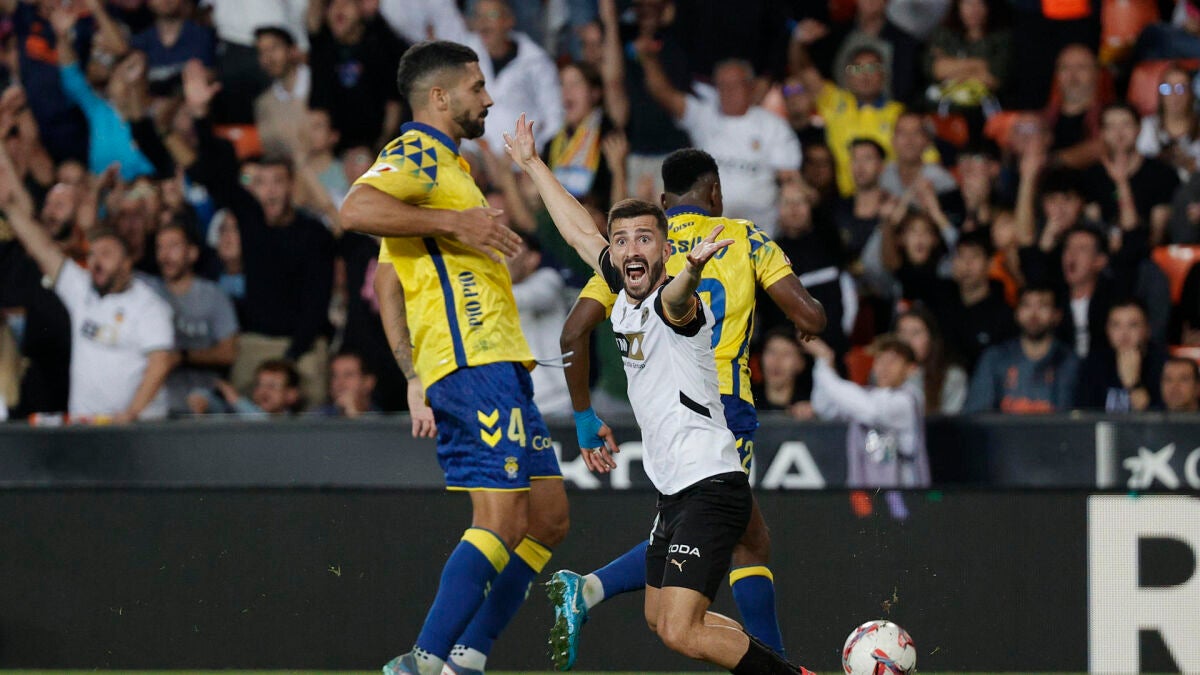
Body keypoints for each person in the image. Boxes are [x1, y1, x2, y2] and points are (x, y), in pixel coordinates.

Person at [505, 113, 816, 675]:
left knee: (680, 628)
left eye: (644, 239)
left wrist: (692, 271)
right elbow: (578, 231)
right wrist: (531, 163)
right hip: (677, 487)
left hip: (707, 481)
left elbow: (677, 300)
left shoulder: (674, 302)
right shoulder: (623, 289)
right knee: (662, 613)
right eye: (621, 240)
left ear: (667, 249)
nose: (630, 249)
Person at [337, 41, 567, 675]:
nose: (488, 99)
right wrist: (457, 224)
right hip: (472, 361)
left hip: (498, 362)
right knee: (501, 518)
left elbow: (388, 278)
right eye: (477, 87)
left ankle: (465, 658)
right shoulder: (415, 152)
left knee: (547, 518)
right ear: (439, 96)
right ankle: (422, 662)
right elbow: (353, 208)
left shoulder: (450, 169)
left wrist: (411, 374)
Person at [0, 144, 175, 422]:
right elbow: (43, 248)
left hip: (137, 431)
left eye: (106, 254)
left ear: (127, 263)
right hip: (87, 428)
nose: (96, 261)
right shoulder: (82, 291)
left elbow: (161, 362)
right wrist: (9, 207)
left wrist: (131, 413)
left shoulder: (149, 305)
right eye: (92, 254)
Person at [637, 49, 802, 234]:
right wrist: (648, 58)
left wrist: (792, 198)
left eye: (734, 84)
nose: (728, 91)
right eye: (722, 85)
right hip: (709, 232)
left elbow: (789, 177)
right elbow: (663, 93)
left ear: (750, 87)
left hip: (760, 232)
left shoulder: (773, 125)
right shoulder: (703, 117)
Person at [806, 334, 929, 487]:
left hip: (902, 492)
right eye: (880, 360)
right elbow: (824, 406)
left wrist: (825, 359)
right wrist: (823, 362)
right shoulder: (868, 395)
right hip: (864, 490)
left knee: (895, 504)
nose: (884, 367)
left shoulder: (908, 400)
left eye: (893, 361)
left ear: (910, 369)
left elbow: (870, 410)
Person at [151, 221, 239, 416]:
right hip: (158, 397)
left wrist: (182, 357)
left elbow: (228, 353)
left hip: (205, 397)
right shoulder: (148, 292)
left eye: (173, 246)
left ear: (192, 253)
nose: (165, 255)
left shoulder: (213, 295)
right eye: (160, 247)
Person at [964, 285, 1080, 414]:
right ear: (1017, 313)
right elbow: (977, 414)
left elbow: (1073, 418)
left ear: (1057, 315)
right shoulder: (995, 358)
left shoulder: (1069, 362)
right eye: (1026, 305)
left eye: (1043, 306)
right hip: (1004, 428)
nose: (1033, 314)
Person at [1074, 300, 1166, 412]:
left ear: (1147, 329)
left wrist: (1134, 385)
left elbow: (1160, 418)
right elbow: (1083, 414)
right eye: (1116, 325)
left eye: (1133, 325)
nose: (1124, 333)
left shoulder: (1163, 365)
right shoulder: (1093, 364)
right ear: (1107, 330)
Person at [894, 304, 968, 414]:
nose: (907, 340)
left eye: (915, 333)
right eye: (902, 332)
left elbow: (950, 420)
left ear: (931, 339)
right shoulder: (882, 370)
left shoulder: (952, 376)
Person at [187, 357, 301, 417]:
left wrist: (236, 401)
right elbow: (219, 410)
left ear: (291, 395)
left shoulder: (295, 424)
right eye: (259, 385)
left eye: (271, 386)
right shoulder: (241, 413)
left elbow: (264, 423)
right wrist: (202, 399)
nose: (263, 391)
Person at [751, 327, 814, 420]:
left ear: (800, 363)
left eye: (786, 354)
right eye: (772, 352)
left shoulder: (812, 405)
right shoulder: (744, 403)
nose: (776, 361)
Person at [315, 351, 379, 417]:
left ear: (368, 382)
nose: (339, 383)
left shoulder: (380, 419)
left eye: (348, 375)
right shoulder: (318, 416)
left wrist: (353, 414)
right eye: (334, 376)